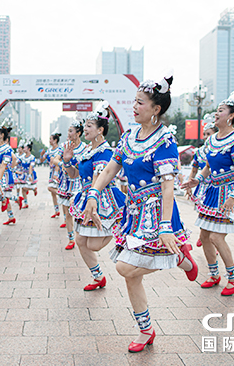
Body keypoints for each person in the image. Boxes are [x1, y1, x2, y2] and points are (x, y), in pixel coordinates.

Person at [84, 76, 198, 353]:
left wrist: (166, 226)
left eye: (140, 102)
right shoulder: (128, 137)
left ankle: (180, 257)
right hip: (133, 212)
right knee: (130, 275)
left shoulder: (165, 140)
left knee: (124, 267)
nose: (133, 106)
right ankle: (145, 329)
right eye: (133, 101)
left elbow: (168, 185)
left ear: (155, 109)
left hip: (158, 212)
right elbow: (111, 169)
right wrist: (93, 194)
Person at [181, 89, 234, 297]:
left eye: (221, 111)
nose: (216, 114)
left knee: (216, 236)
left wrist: (233, 196)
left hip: (231, 193)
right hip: (214, 193)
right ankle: (214, 275)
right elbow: (207, 167)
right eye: (216, 110)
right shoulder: (212, 139)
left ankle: (233, 277)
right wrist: (197, 180)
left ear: (231, 116)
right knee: (204, 235)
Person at [66, 102, 125, 291]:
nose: (85, 129)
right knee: (81, 241)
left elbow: (98, 179)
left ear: (100, 130)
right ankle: (98, 276)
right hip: (87, 197)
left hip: (103, 199)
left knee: (93, 244)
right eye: (85, 126)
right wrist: (67, 162)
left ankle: (120, 227)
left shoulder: (105, 153)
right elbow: (75, 175)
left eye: (90, 126)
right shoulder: (87, 151)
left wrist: (92, 203)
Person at [53, 121, 88, 250]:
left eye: (71, 131)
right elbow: (55, 159)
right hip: (66, 182)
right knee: (67, 212)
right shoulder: (64, 146)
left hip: (80, 182)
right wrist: (62, 163)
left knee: (80, 210)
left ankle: (81, 235)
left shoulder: (85, 147)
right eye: (68, 131)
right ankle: (71, 238)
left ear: (78, 133)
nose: (68, 134)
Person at [185, 115, 217, 247]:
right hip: (202, 186)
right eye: (204, 134)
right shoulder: (199, 152)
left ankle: (211, 241)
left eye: (208, 134)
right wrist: (189, 185)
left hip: (216, 187)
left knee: (215, 216)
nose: (205, 136)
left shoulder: (219, 149)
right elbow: (194, 170)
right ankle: (204, 236)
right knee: (204, 214)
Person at [40, 133, 62, 218]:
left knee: (50, 188)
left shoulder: (59, 150)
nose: (49, 141)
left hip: (58, 173)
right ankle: (56, 210)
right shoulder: (49, 150)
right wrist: (42, 154)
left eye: (51, 139)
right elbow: (42, 160)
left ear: (55, 140)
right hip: (52, 173)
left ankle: (63, 195)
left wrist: (56, 174)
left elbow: (59, 161)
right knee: (53, 193)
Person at [20, 142, 38, 208]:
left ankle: (33, 188)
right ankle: (26, 203)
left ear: (29, 149)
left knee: (24, 188)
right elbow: (17, 162)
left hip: (30, 174)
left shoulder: (32, 157)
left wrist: (30, 175)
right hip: (24, 175)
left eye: (25, 148)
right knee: (23, 188)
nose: (24, 149)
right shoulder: (22, 157)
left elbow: (31, 167)